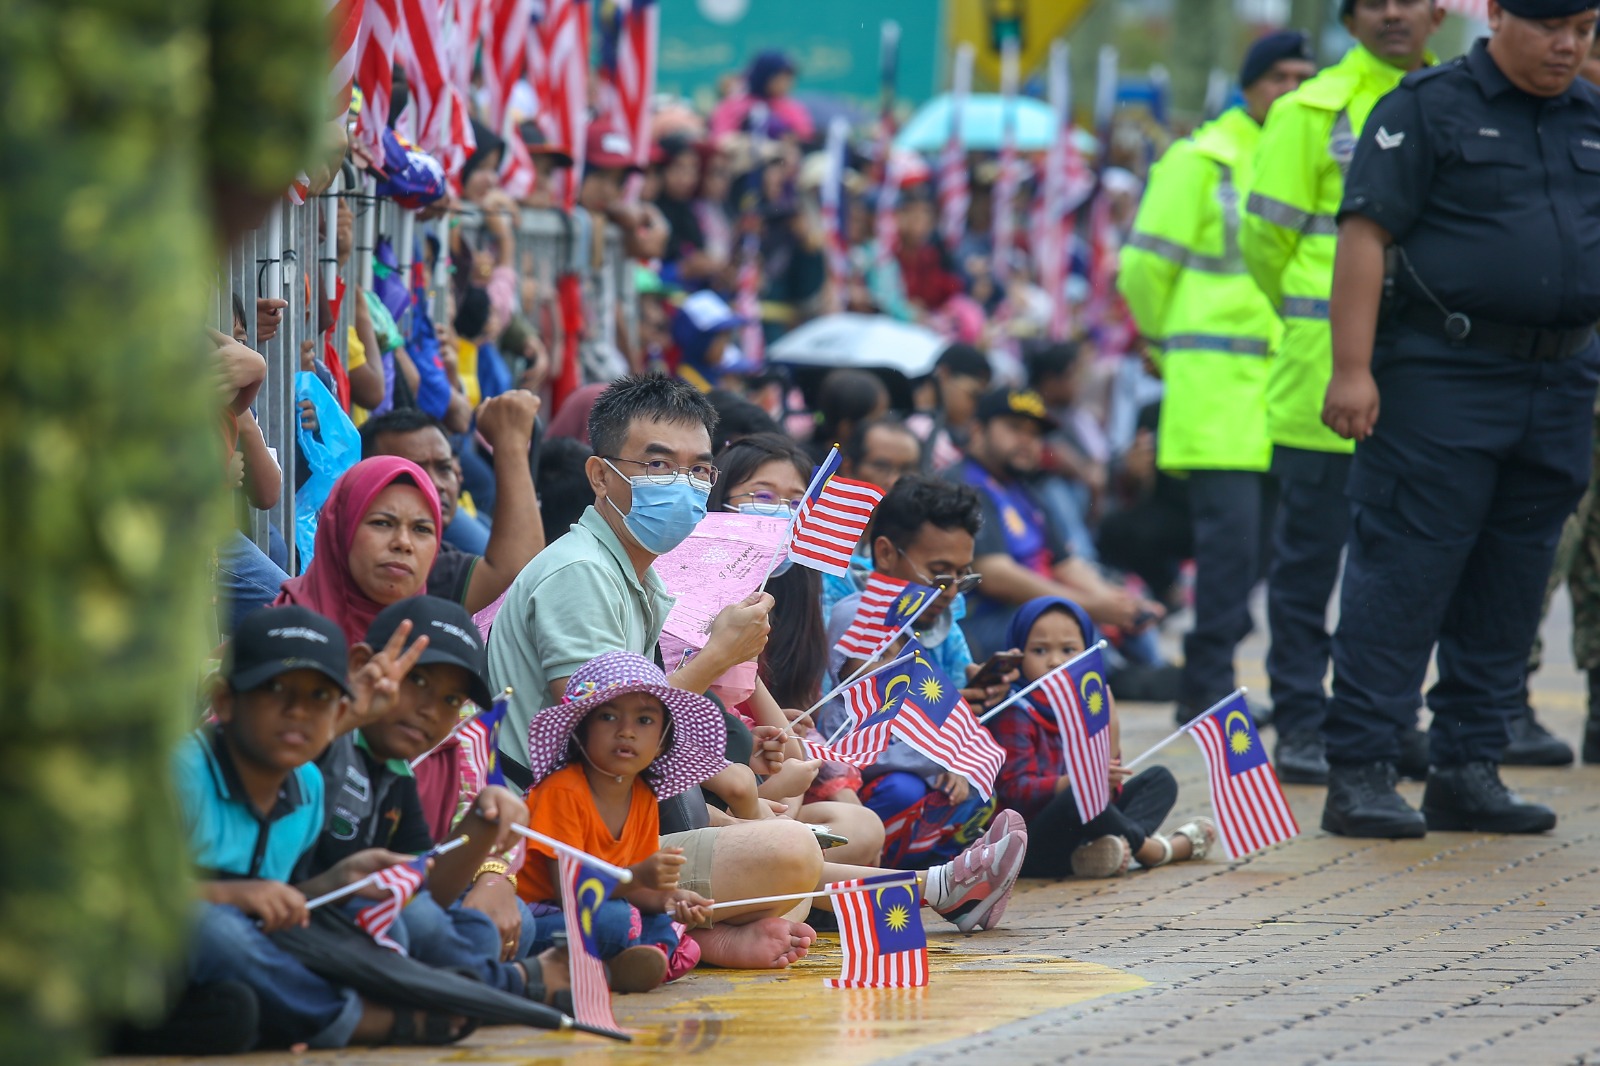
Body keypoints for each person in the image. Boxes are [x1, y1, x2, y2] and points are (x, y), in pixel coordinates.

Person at [1317, 0, 1600, 838]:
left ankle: (1468, 766)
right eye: (1553, 27)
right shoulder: (1426, 107)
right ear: (1499, 17)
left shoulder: (1590, 116)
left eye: (1585, 30)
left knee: (1511, 584)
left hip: (1556, 380)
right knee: (1403, 574)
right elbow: (1364, 236)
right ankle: (1362, 770)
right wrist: (1353, 369)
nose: (1569, 46)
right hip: (1443, 374)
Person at [1241, 0, 1445, 783]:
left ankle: (1393, 720)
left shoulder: (1459, 103)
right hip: (1320, 378)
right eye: (1373, 2)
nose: (1393, 13)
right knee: (1307, 570)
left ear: (1438, 12)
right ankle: (1299, 723)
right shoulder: (1309, 110)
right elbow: (1266, 243)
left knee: (1411, 567)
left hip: (1428, 381)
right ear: (1350, 17)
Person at [1120, 31, 1315, 725]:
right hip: (1212, 391)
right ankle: (1205, 686)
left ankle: (1212, 674)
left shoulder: (1304, 156)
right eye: (1278, 77)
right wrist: (1159, 340)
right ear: (1250, 85)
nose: (1291, 89)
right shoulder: (1201, 158)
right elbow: (1142, 267)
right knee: (1229, 554)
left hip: (1284, 391)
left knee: (1263, 552)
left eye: (1303, 76)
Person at [178, 606, 472, 1049]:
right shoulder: (181, 773)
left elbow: (283, 902)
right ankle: (356, 1019)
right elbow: (121, 902)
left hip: (235, 966)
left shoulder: (307, 784)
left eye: (320, 696)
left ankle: (282, 1018)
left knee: (379, 927)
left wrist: (335, 882)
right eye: (275, 688)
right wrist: (228, 895)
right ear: (225, 701)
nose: (298, 711)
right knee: (214, 930)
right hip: (145, 961)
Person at [301, 597, 572, 1004]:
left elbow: (430, 893)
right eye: (418, 681)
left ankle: (437, 994)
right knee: (412, 924)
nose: (430, 710)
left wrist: (480, 825)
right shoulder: (322, 742)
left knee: (469, 928)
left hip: (354, 924)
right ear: (363, 668)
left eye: (450, 700)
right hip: (290, 914)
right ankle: (501, 987)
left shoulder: (397, 773)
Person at [705, 434, 887, 865]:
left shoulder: (794, 602)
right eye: (763, 496)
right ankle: (928, 887)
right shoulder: (700, 603)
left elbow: (793, 751)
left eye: (797, 504)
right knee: (829, 820)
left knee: (858, 824)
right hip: (717, 802)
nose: (785, 516)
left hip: (768, 792)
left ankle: (808, 875)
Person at [824, 475, 1018, 869]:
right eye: (940, 574)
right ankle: (906, 876)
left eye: (963, 577)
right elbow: (857, 738)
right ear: (886, 554)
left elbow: (954, 709)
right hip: (859, 782)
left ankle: (941, 872)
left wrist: (959, 752)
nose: (949, 592)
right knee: (902, 791)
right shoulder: (860, 621)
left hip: (926, 771)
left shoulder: (940, 624)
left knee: (979, 787)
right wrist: (940, 742)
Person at [518, 653, 728, 992]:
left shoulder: (643, 797)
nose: (626, 732)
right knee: (616, 921)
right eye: (608, 717)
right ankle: (619, 961)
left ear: (662, 742)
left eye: (645, 720)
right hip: (540, 912)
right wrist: (638, 877)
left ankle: (631, 958)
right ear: (580, 731)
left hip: (603, 904)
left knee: (661, 921)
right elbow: (570, 891)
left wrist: (671, 899)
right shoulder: (562, 791)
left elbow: (640, 890)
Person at [991, 598, 1216, 878]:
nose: (1055, 661)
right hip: (1032, 839)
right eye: (1039, 650)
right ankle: (1156, 849)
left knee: (1159, 779)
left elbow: (1107, 788)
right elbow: (1015, 791)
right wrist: (1073, 783)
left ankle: (1099, 850)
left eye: (1069, 650)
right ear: (1018, 654)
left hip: (1088, 822)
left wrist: (1111, 725)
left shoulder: (1088, 702)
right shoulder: (1016, 711)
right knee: (1079, 795)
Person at [952, 388, 1166, 661]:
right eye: (1015, 428)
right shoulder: (963, 485)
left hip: (1027, 610)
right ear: (977, 430)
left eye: (1034, 434)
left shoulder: (1024, 491)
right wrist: (1087, 605)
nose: (1027, 441)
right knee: (1066, 630)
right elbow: (995, 575)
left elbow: (1065, 563)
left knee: (1127, 613)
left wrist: (1116, 603)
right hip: (979, 621)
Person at [359, 398, 544, 613]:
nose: (435, 484)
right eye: (413, 471)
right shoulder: (388, 555)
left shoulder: (438, 555)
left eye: (444, 468)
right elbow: (516, 575)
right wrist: (509, 441)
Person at [273, 456, 442, 646]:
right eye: (382, 523)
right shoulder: (279, 637)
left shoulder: (442, 649)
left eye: (421, 529)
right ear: (341, 529)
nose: (403, 543)